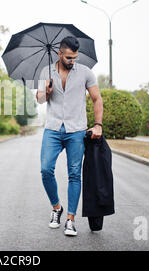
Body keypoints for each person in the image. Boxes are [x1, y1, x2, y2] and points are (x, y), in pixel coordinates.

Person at [35, 36, 103, 236]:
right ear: (59, 53)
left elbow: (97, 99)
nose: (72, 60)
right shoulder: (45, 72)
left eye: (75, 57)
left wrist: (98, 125)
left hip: (76, 130)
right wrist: (46, 92)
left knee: (74, 174)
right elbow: (39, 100)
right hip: (53, 128)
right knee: (46, 169)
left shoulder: (85, 73)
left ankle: (70, 219)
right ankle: (57, 208)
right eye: (69, 57)